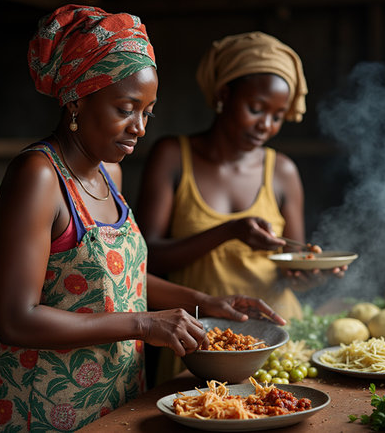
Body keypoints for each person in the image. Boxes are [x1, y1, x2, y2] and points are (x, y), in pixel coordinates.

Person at [0, 7, 285, 432]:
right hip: (43, 407)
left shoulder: (109, 171)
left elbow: (120, 280)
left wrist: (206, 303)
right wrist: (144, 324)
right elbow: (15, 319)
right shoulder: (39, 177)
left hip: (115, 397)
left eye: (147, 112)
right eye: (126, 108)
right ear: (76, 99)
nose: (139, 127)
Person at [136, 31, 347, 382]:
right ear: (224, 95)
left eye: (278, 115)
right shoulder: (173, 156)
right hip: (202, 340)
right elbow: (145, 259)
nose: (266, 125)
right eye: (257, 108)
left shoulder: (282, 171)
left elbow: (290, 266)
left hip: (278, 341)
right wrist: (229, 231)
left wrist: (308, 275)